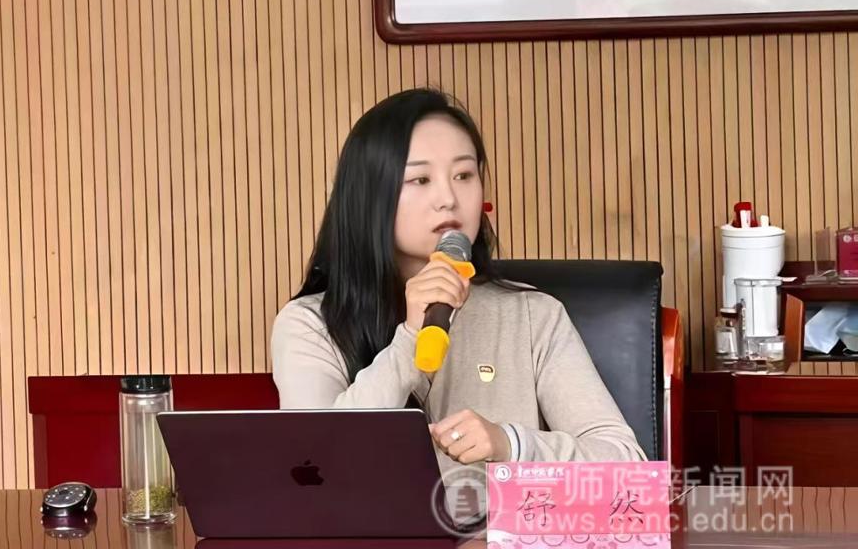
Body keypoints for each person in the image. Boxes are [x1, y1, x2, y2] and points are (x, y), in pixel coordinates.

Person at [270, 88, 645, 476]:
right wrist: (409, 339)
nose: (448, 199)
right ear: (368, 198)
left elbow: (626, 463)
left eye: (464, 175)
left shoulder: (534, 316)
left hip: (495, 519)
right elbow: (315, 465)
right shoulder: (310, 325)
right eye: (420, 179)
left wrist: (511, 443)